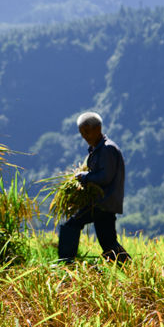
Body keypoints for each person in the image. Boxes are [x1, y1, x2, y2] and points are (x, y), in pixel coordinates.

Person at [57, 111, 131, 264]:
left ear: (98, 129)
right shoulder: (99, 148)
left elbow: (105, 177)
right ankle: (130, 269)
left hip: (102, 203)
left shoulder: (107, 149)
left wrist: (85, 177)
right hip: (105, 203)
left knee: (71, 224)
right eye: (82, 133)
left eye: (87, 131)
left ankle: (66, 262)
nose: (85, 136)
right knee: (108, 242)